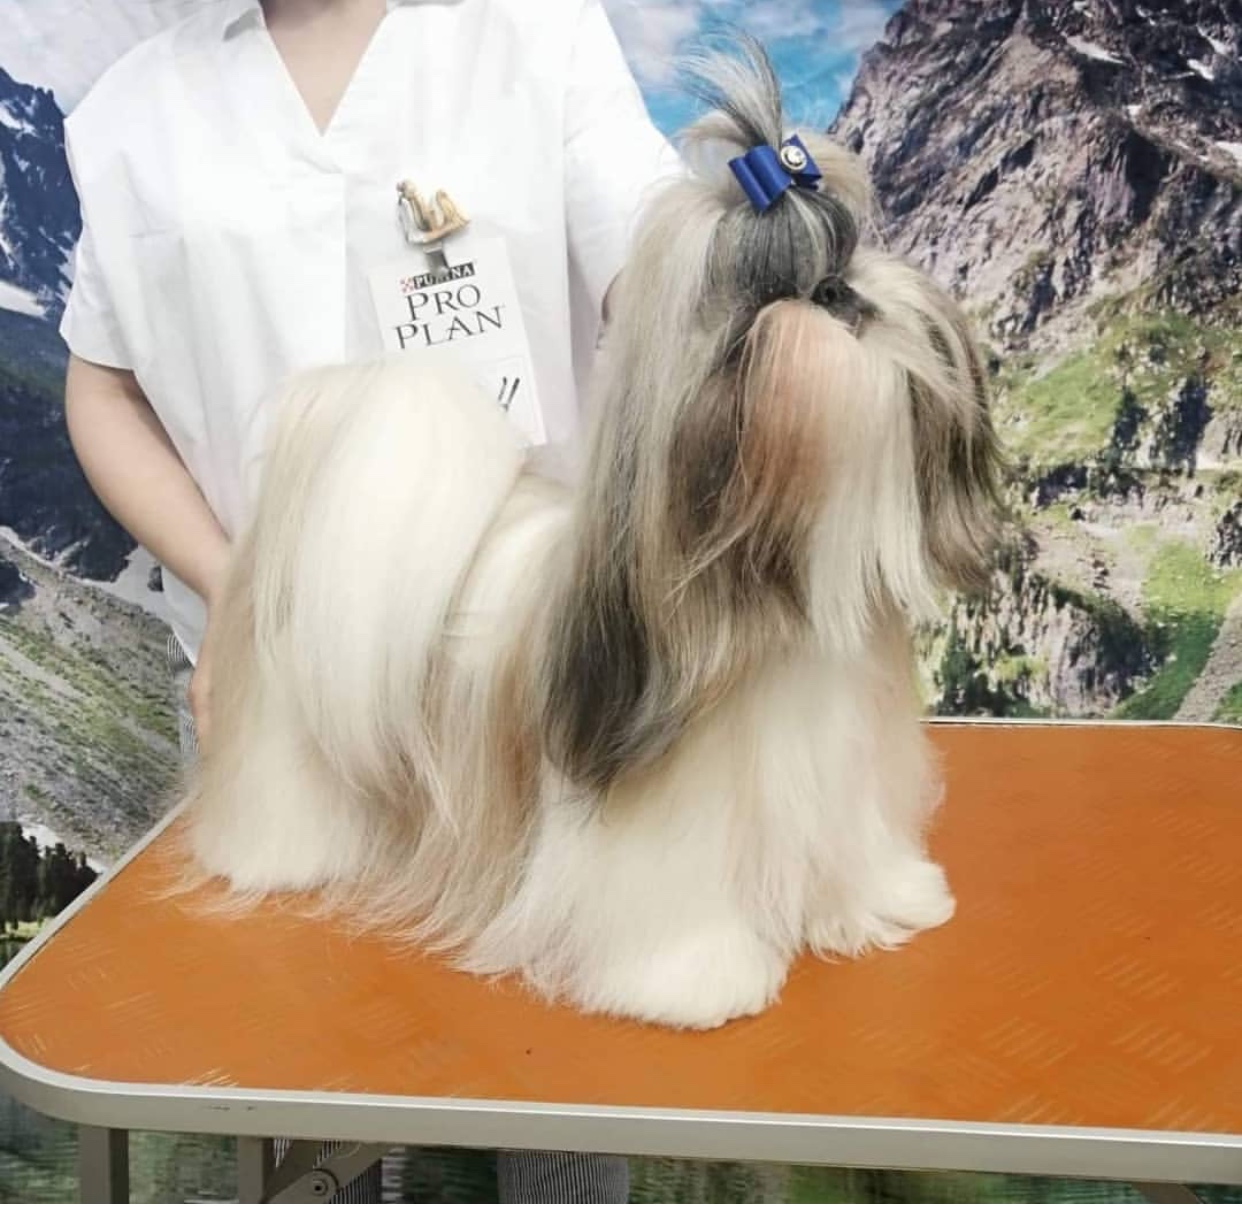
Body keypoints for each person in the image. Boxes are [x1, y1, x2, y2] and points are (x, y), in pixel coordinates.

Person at [59, 0, 679, 1199]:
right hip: (284, 705)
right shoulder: (134, 109)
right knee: (302, 1080)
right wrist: (239, 601)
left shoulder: (538, 35)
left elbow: (651, 270)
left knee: (563, 1089)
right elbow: (104, 389)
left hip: (527, 691)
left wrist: (739, 282)